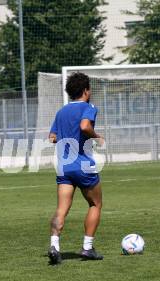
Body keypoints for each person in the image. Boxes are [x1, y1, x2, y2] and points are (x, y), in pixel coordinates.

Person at [47, 72, 104, 265]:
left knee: (61, 209)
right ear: (86, 90)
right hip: (83, 165)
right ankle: (87, 248)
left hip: (64, 166)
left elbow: (52, 137)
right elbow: (84, 126)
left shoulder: (61, 112)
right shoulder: (89, 107)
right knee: (95, 204)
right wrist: (96, 136)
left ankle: (54, 245)